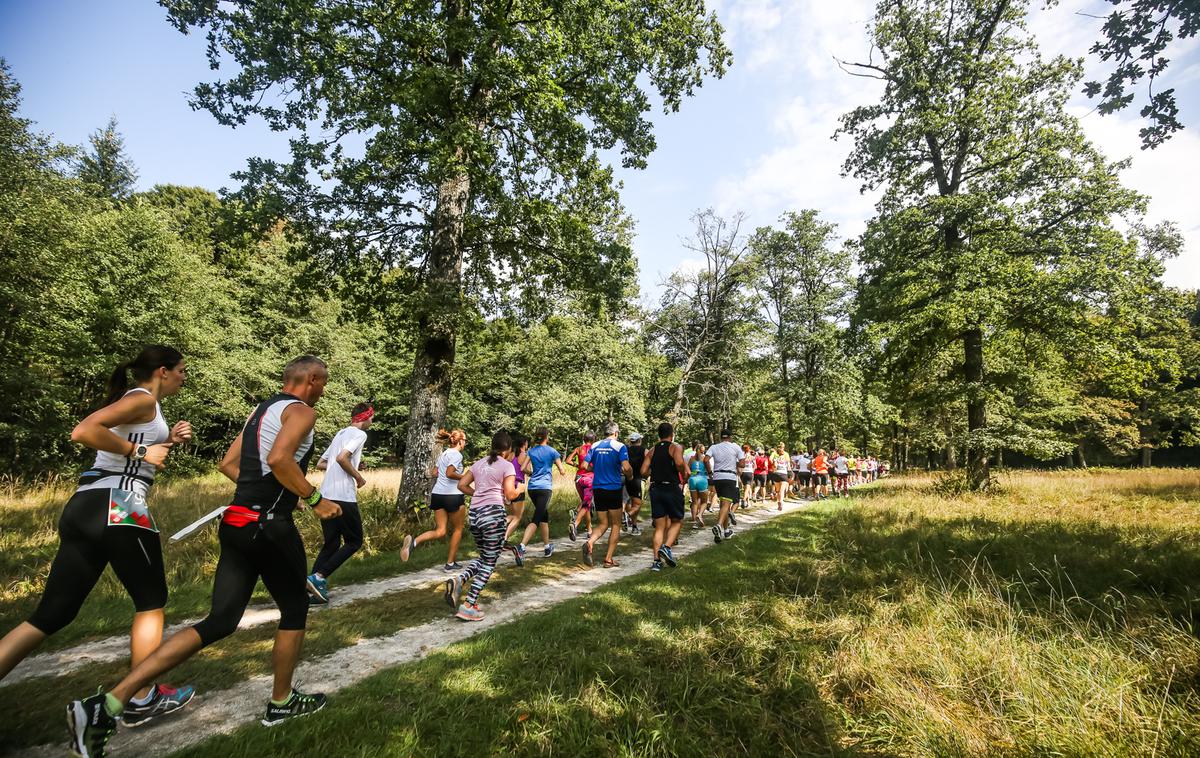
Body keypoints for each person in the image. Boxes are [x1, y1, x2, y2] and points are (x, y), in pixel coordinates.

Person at [68, 356, 343, 755]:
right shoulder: (302, 411)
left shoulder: (261, 410)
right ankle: (282, 703)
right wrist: (314, 498)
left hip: (236, 521)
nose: (324, 389)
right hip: (268, 527)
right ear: (312, 379)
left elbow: (229, 464)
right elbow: (280, 460)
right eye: (324, 382)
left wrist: (278, 492)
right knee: (296, 609)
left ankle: (108, 702)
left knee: (220, 620)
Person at [0, 347, 195, 728]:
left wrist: (167, 440)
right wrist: (142, 449)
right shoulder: (141, 399)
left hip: (85, 506)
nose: (184, 377)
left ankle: (142, 696)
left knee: (52, 614)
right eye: (181, 371)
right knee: (151, 602)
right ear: (162, 371)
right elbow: (84, 431)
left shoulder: (144, 404)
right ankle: (142, 698)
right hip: (119, 505)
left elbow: (133, 454)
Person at [447, 431, 525, 621]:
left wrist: (479, 494)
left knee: (485, 556)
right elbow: (510, 494)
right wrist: (520, 488)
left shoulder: (479, 463)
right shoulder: (507, 466)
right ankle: (468, 606)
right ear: (507, 450)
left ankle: (460, 579)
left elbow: (462, 485)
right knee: (490, 562)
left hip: (475, 515)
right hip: (493, 516)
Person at [306, 402, 373, 603]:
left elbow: (321, 463)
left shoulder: (340, 433)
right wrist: (358, 477)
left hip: (326, 494)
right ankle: (319, 577)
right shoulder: (360, 434)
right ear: (364, 417)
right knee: (354, 541)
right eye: (371, 417)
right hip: (343, 496)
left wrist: (353, 464)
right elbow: (343, 458)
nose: (372, 421)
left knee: (332, 543)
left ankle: (310, 589)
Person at [401, 429, 467, 570]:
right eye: (465, 440)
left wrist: (444, 476)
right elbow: (450, 473)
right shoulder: (457, 455)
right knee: (458, 529)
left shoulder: (443, 454)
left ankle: (414, 542)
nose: (465, 443)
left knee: (440, 530)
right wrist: (465, 477)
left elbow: (435, 472)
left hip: (438, 494)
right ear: (460, 441)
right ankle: (450, 563)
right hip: (453, 495)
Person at [582, 422, 633, 568]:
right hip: (613, 488)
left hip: (598, 488)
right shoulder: (619, 446)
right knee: (616, 524)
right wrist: (630, 476)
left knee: (603, 523)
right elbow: (627, 467)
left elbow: (585, 466)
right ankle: (608, 559)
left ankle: (589, 543)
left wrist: (596, 468)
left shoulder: (595, 445)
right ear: (616, 433)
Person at [642, 422, 688, 572]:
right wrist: (682, 472)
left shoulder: (652, 450)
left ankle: (656, 562)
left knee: (659, 527)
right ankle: (666, 547)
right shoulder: (675, 447)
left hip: (655, 488)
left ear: (659, 434)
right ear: (672, 434)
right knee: (677, 520)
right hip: (671, 487)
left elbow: (643, 471)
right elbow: (680, 462)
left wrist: (655, 472)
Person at [517, 427, 566, 560]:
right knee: (537, 518)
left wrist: (532, 473)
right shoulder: (552, 451)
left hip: (532, 488)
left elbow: (522, 468)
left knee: (544, 516)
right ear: (547, 437)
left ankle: (547, 546)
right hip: (545, 488)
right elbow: (562, 470)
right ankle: (521, 547)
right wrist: (562, 472)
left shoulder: (531, 451)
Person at [706, 429, 745, 544]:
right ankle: (718, 526)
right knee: (726, 504)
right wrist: (734, 462)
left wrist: (709, 473)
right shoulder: (736, 447)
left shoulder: (714, 447)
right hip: (729, 477)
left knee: (724, 504)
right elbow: (742, 464)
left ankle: (726, 531)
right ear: (730, 437)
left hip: (717, 477)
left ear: (720, 437)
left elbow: (706, 459)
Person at [502, 435, 532, 560]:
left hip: (508, 486)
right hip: (518, 487)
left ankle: (501, 525)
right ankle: (503, 539)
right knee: (518, 517)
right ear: (525, 444)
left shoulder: (511, 454)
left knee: (512, 515)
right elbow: (528, 470)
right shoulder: (524, 456)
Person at [565, 432, 595, 541]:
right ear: (594, 440)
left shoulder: (578, 449)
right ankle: (575, 524)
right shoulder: (594, 449)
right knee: (586, 504)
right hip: (589, 479)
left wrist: (577, 465)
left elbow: (567, 460)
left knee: (585, 504)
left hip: (578, 478)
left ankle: (589, 529)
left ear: (584, 439)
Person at [623, 432, 646, 535]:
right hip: (638, 480)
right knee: (637, 505)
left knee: (631, 503)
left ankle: (634, 527)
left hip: (627, 479)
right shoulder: (644, 450)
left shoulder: (625, 450)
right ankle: (627, 516)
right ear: (639, 440)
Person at [687, 442, 710, 528]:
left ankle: (694, 522)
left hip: (692, 480)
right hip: (702, 480)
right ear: (703, 451)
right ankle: (699, 515)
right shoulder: (704, 459)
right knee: (704, 501)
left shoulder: (691, 458)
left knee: (694, 502)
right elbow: (708, 469)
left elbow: (688, 470)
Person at [769, 443, 790, 510]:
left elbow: (770, 460)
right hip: (783, 474)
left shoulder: (774, 454)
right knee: (782, 490)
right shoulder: (786, 454)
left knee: (778, 490)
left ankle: (778, 502)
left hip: (776, 473)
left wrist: (773, 465)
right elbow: (789, 466)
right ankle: (781, 501)